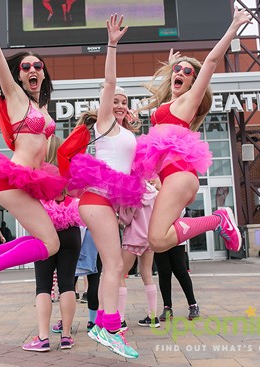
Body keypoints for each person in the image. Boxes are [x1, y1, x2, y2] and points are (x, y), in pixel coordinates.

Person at [0, 0, 67, 304]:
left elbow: (48, 146)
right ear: (19, 75)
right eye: (26, 67)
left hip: (30, 181)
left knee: (47, 239)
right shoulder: (15, 97)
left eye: (38, 66)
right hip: (13, 180)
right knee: (50, 244)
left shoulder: (42, 107)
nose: (33, 69)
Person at [132, 8, 252, 254]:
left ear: (193, 81)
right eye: (178, 70)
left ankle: (219, 219)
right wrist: (171, 64)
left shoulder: (189, 101)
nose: (180, 73)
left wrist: (234, 26)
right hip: (171, 178)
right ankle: (217, 220)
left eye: (187, 72)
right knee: (157, 241)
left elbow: (211, 61)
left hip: (179, 176)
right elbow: (166, 89)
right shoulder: (167, 103)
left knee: (156, 239)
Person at [66, 14, 141, 359]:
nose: (120, 104)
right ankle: (108, 328)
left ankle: (108, 325)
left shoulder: (129, 134)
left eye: (125, 101)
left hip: (109, 204)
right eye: (115, 101)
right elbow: (109, 83)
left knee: (116, 266)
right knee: (113, 266)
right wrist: (112, 44)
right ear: (106, 107)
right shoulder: (106, 125)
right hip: (96, 200)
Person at [22, 136, 83, 352]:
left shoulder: (38, 171)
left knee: (43, 286)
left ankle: (43, 337)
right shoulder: (71, 171)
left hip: (44, 228)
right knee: (67, 284)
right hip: (70, 230)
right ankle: (66, 336)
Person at [118, 181, 160, 329]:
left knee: (120, 275)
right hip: (149, 237)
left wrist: (119, 215)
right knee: (147, 273)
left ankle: (120, 319)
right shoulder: (153, 191)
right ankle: (153, 316)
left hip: (134, 237)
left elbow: (126, 219)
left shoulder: (130, 190)